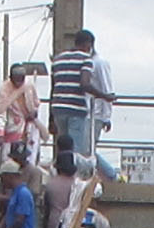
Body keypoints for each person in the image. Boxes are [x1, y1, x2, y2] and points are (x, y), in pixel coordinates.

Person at [45, 27, 112, 172]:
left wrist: (50, 118)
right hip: (76, 109)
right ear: (89, 45)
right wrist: (105, 96)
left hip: (58, 108)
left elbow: (54, 87)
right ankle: (74, 180)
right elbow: (85, 84)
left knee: (63, 147)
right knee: (76, 151)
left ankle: (61, 175)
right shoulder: (86, 60)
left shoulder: (58, 60)